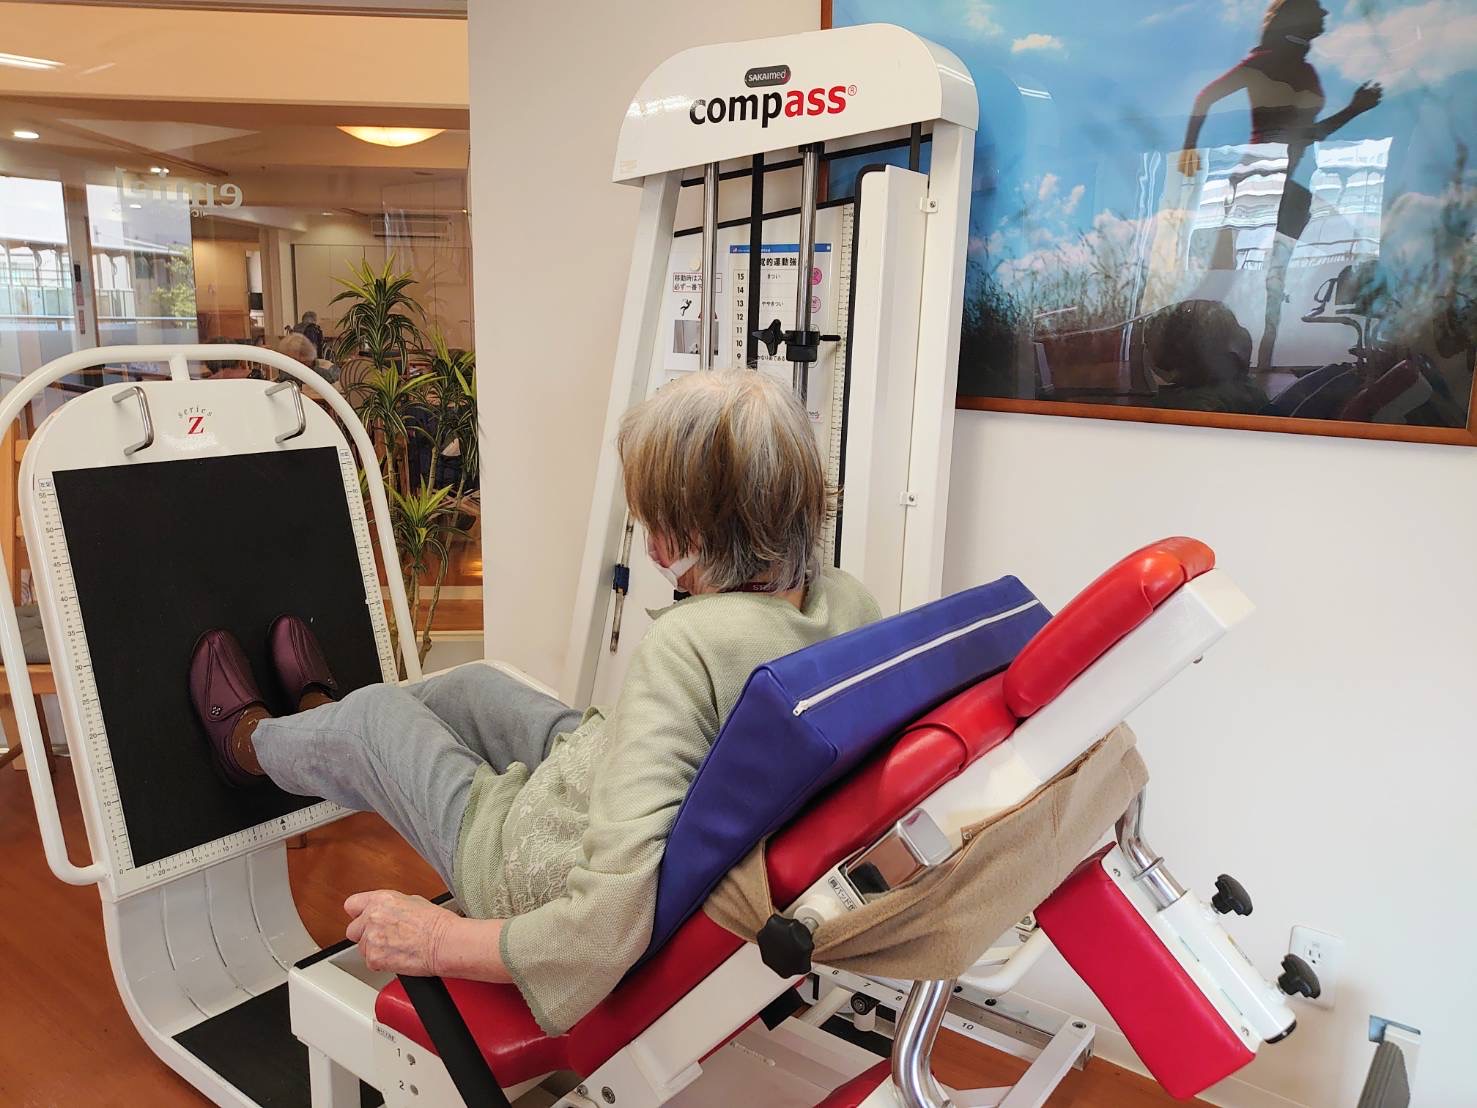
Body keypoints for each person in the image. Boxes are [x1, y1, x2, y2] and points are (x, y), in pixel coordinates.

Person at [185, 369, 879, 1034]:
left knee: (374, 719)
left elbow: (603, 927)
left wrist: (437, 937)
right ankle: (320, 728)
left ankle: (248, 745)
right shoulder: (842, 602)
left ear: (692, 533)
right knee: (473, 688)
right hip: (637, 790)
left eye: (653, 521)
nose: (648, 538)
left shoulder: (688, 648)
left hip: (532, 868)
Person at [1177, 0, 1382, 369]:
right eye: (1317, 8)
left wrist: (1355, 109)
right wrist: (1188, 148)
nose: (1325, 14)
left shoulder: (1302, 69)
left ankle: (1261, 364)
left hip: (1274, 185)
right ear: (1296, 16)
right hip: (1258, 182)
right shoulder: (1266, 62)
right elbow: (1205, 97)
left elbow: (1309, 133)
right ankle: (1176, 349)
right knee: (1230, 279)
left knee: (1254, 279)